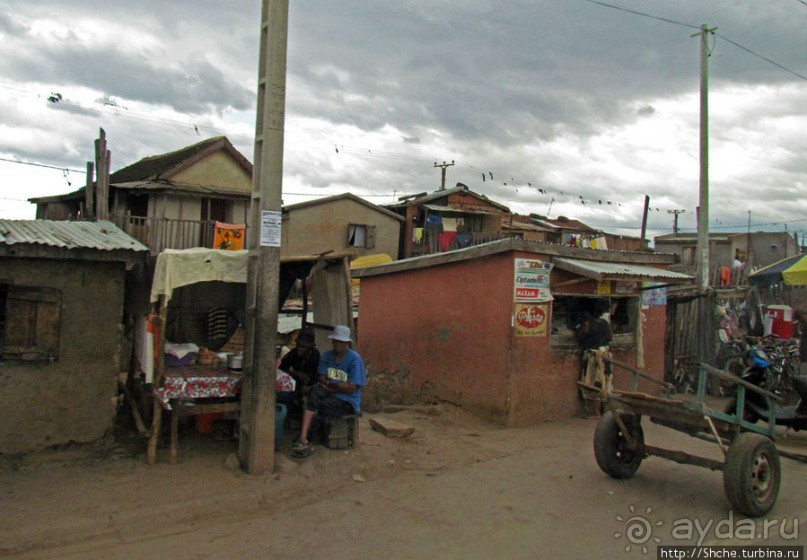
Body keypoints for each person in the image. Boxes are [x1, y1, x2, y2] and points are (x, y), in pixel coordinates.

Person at [291, 324, 365, 458]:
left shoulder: (354, 359)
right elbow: (321, 378)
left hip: (347, 401)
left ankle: (309, 440)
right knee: (312, 395)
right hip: (329, 393)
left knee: (321, 406)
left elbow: (350, 389)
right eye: (336, 341)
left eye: (341, 342)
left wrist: (329, 385)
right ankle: (303, 437)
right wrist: (337, 385)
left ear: (347, 343)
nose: (338, 344)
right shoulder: (326, 356)